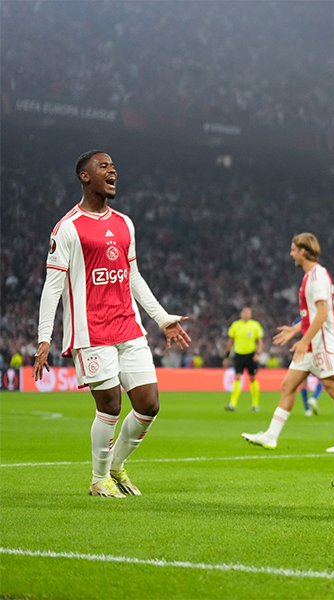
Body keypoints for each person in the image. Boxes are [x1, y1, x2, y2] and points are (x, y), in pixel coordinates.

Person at [33, 150, 191, 498]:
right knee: (110, 406)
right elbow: (53, 286)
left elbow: (133, 276)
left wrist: (162, 318)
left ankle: (116, 467)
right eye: (104, 166)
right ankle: (98, 478)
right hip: (92, 332)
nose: (112, 170)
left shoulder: (124, 223)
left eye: (114, 166)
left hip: (128, 327)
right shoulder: (68, 228)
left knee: (149, 404)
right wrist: (44, 337)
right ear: (85, 176)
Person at [242, 233, 334, 453]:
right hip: (311, 344)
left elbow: (323, 313)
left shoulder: (316, 278)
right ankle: (271, 436)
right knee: (288, 386)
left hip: (321, 343)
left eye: (293, 249)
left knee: (333, 389)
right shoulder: (312, 276)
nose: (291, 253)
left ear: (303, 251)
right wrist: (297, 329)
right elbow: (314, 314)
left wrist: (304, 340)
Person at [224, 307, 264, 412]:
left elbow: (259, 341)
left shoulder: (255, 325)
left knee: (252, 378)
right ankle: (232, 403)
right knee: (237, 377)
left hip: (251, 355)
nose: (247, 314)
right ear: (241, 314)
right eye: (245, 312)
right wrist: (227, 355)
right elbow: (231, 341)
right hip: (239, 355)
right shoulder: (235, 325)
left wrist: (257, 353)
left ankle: (255, 404)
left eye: (249, 312)